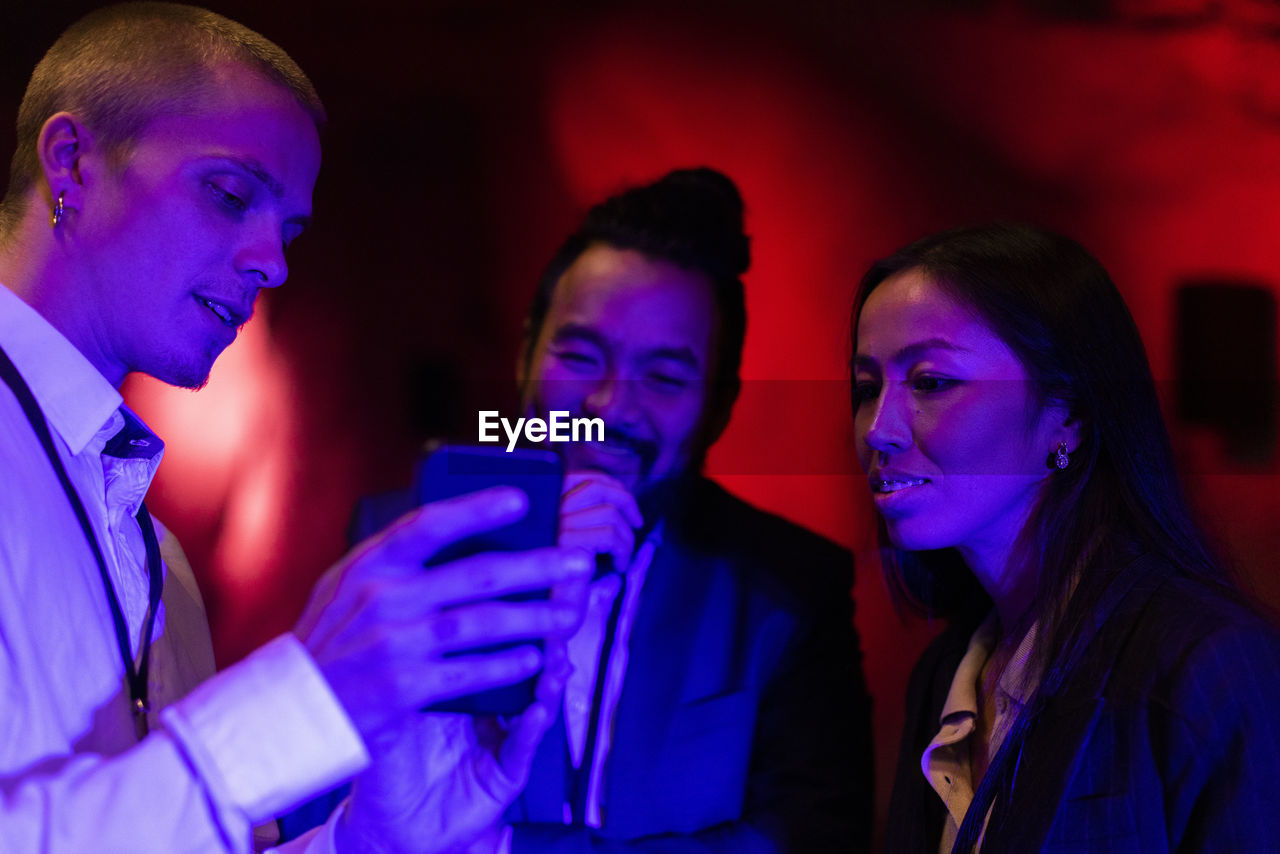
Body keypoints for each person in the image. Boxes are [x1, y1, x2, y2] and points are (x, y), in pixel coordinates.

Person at [0, 4, 591, 852]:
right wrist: (307, 696)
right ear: (73, 160)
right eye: (230, 193)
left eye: (291, 230)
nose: (273, 262)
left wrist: (379, 840)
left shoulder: (156, 556)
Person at [849, 223, 1280, 852]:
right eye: (865, 389)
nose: (878, 430)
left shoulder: (1208, 662)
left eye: (931, 381)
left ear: (1069, 415)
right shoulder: (945, 676)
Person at [495, 167, 872, 851]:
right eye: (580, 357)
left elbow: (810, 839)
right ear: (525, 351)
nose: (609, 407)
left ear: (720, 403)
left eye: (665, 377)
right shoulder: (406, 542)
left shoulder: (793, 588)